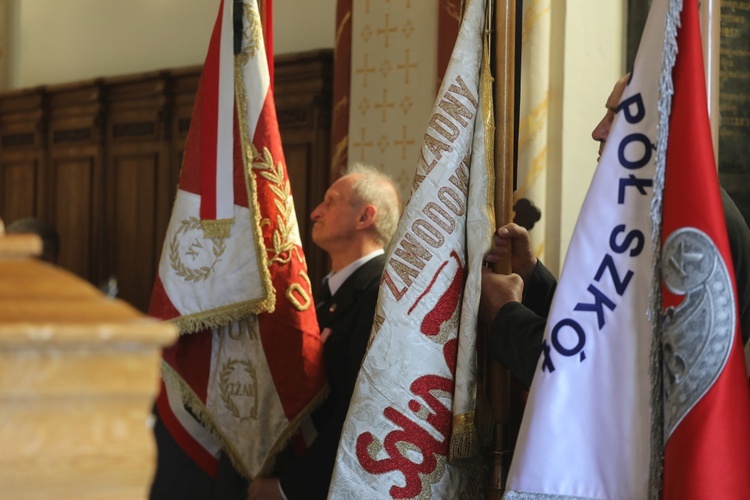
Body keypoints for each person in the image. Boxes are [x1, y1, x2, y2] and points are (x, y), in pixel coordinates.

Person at [480, 74, 750, 387]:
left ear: (658, 128)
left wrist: (504, 314)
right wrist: (531, 275)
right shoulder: (673, 206)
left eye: (614, 116)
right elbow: (605, 325)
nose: (598, 132)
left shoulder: (682, 228)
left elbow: (593, 371)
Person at [247, 164, 402, 500]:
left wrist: (290, 488)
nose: (316, 211)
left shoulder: (378, 295)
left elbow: (359, 408)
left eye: (330, 202)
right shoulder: (323, 297)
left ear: (365, 217)